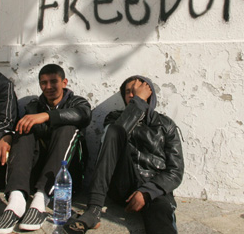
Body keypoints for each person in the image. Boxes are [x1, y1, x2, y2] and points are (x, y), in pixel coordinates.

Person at [63, 75, 184, 234]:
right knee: (114, 131)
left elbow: (175, 171)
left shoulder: (166, 125)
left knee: (161, 215)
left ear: (150, 94)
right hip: (122, 183)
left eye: (137, 91)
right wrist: (138, 103)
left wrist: (147, 192)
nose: (133, 95)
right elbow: (115, 135)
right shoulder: (114, 118)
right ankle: (93, 210)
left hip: (154, 186)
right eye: (129, 92)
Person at [0, 64, 91, 234]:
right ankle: (16, 201)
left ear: (64, 82)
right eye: (44, 83)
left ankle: (40, 202)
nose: (49, 87)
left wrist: (47, 116)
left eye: (54, 82)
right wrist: (7, 137)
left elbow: (84, 115)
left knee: (67, 128)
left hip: (66, 179)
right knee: (25, 130)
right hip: (36, 173)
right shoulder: (33, 107)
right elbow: (19, 127)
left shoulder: (77, 102)